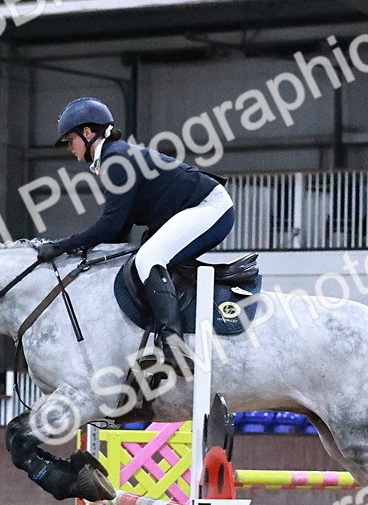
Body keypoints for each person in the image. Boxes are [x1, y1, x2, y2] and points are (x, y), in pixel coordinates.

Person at [37, 97, 236, 374]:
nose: (69, 148)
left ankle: (174, 349)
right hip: (191, 209)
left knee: (149, 259)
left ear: (87, 132)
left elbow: (110, 224)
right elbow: (120, 229)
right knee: (139, 260)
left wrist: (62, 246)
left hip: (210, 208)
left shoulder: (116, 159)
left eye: (70, 140)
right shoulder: (113, 157)